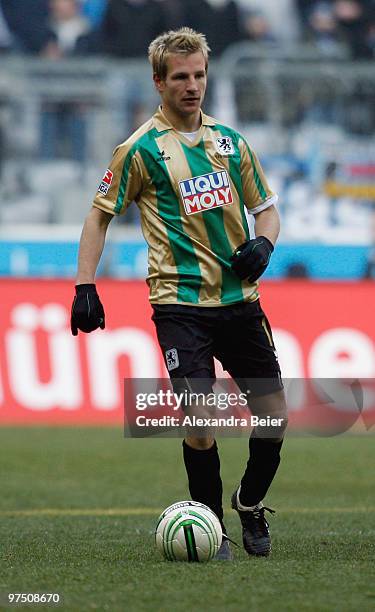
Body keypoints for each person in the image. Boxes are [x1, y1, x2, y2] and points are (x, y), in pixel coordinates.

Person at [71, 27, 288, 560]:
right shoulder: (140, 150)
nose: (192, 87)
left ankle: (249, 502)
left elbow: (268, 211)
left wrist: (264, 244)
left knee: (276, 417)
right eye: (181, 78)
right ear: (158, 82)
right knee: (200, 418)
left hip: (240, 302)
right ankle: (210, 529)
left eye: (199, 76)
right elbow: (99, 216)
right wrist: (84, 286)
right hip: (180, 305)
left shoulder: (230, 143)